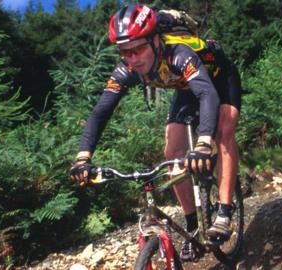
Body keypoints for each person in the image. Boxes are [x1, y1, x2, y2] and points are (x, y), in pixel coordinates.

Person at [69, 4, 242, 261]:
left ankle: (225, 211)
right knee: (172, 152)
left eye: (138, 49)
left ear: (155, 40)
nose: (133, 58)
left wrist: (204, 142)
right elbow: (101, 111)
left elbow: (207, 94)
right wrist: (83, 156)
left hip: (218, 79)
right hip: (185, 87)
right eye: (125, 52)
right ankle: (192, 225)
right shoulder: (127, 69)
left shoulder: (178, 53)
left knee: (223, 133)